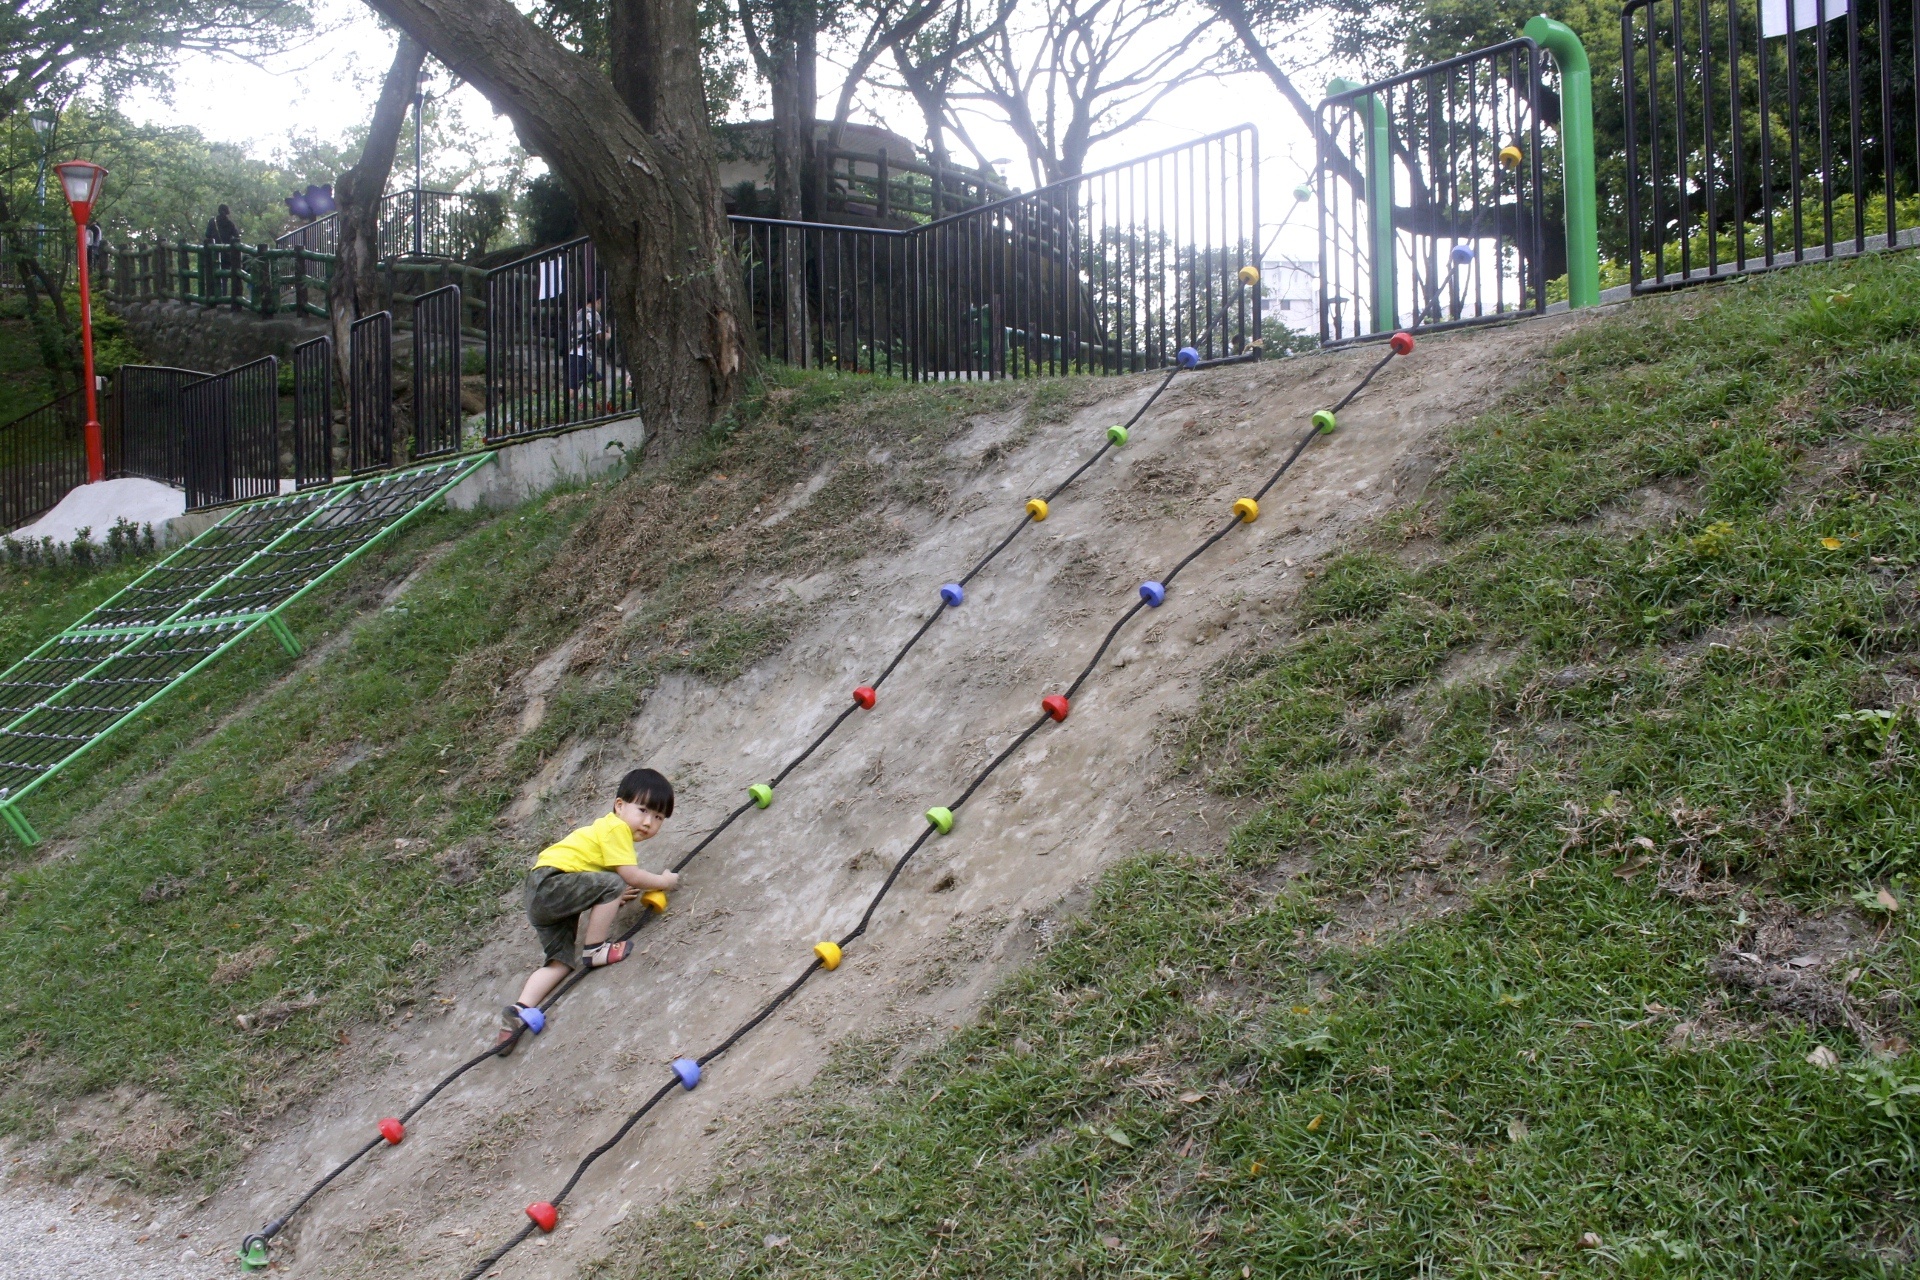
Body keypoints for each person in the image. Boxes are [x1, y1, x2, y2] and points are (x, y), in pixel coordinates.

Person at [497, 767, 680, 1051]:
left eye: (658, 817)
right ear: (619, 806)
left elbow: (592, 878)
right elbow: (630, 875)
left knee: (560, 963)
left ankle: (519, 1011)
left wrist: (611, 898)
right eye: (643, 810)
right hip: (551, 882)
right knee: (614, 882)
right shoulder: (616, 827)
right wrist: (663, 882)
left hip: (541, 896)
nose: (648, 822)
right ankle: (595, 949)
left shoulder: (609, 831)